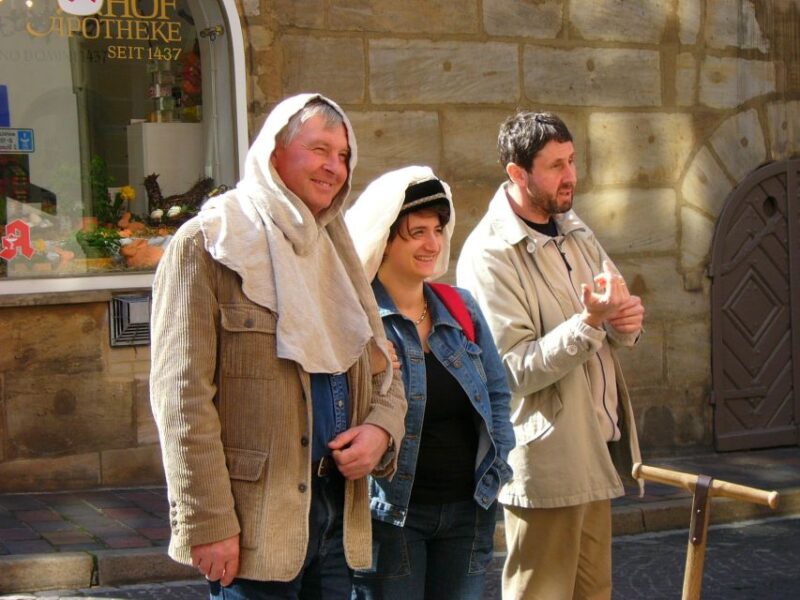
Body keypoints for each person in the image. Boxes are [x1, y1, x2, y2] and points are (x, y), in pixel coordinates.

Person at [149, 93, 407, 599]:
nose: (334, 167)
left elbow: (384, 367)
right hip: (255, 524)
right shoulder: (208, 244)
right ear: (274, 153)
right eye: (319, 150)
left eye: (343, 155)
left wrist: (381, 430)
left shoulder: (337, 248)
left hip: (336, 514)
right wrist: (208, 521)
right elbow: (181, 399)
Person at [456, 112, 645, 600]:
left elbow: (613, 305)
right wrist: (590, 323)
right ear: (517, 174)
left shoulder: (575, 229)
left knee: (594, 593)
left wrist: (625, 321)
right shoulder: (489, 253)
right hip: (545, 463)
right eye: (556, 166)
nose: (571, 176)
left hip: (595, 449)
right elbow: (510, 369)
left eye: (573, 161)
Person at [345, 166, 515, 600]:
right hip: (391, 519)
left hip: (467, 513)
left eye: (437, 230)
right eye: (417, 232)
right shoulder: (356, 319)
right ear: (385, 240)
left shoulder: (460, 308)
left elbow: (497, 394)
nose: (433, 243)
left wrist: (497, 467)